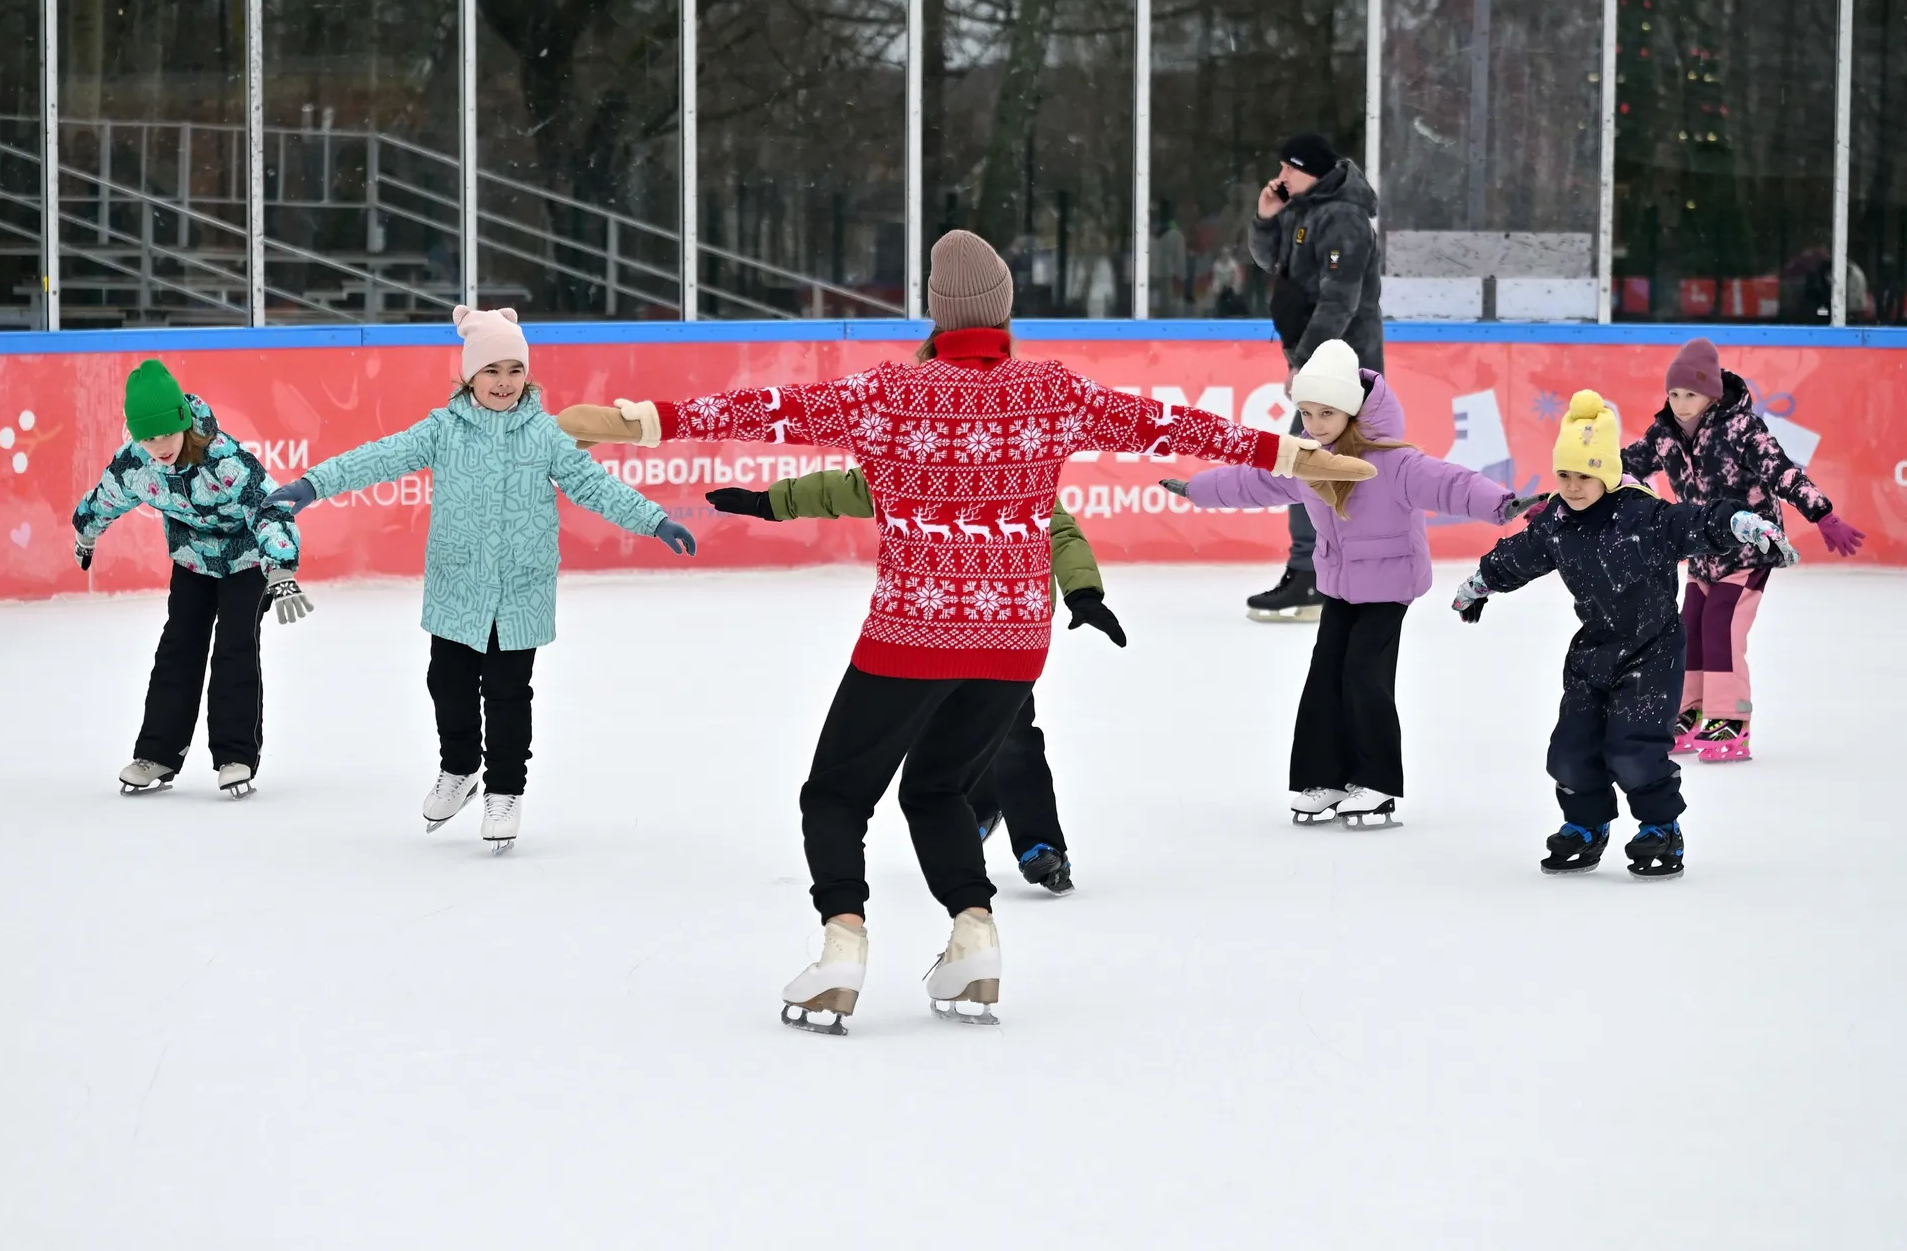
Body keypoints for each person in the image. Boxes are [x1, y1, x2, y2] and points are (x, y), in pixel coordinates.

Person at [554, 229, 1376, 1035]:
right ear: (1005, 312)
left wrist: (634, 422)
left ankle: (842, 943)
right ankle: (973, 936)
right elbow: (1175, 427)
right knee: (936, 788)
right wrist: (1301, 457)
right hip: (1013, 642)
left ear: (936, 314)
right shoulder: (1050, 391)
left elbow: (760, 411)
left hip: (911, 633)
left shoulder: (887, 393)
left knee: (836, 794)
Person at [263, 307, 693, 853]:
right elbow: (379, 458)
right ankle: (460, 769)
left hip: (521, 591)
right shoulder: (443, 429)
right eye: (492, 371)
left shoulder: (546, 434)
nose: (504, 382)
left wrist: (653, 519)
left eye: (515, 371)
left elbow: (595, 486)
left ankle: (505, 791)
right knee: (449, 685)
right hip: (457, 588)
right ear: (469, 376)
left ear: (528, 377)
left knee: (510, 695)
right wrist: (312, 484)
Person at [1164, 339, 1542, 830]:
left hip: (1390, 585)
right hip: (1340, 585)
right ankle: (1322, 779)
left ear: (1353, 409)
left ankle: (1377, 781)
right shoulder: (1306, 462)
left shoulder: (1395, 462)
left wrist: (1501, 504)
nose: (1314, 424)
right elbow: (1253, 481)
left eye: (1326, 413)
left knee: (1365, 674)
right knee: (1325, 676)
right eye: (1305, 412)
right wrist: (1198, 489)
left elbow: (1451, 483)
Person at [701, 465, 1126, 897]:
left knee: (1013, 738)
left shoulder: (1016, 465)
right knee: (949, 735)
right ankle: (973, 809)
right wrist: (769, 502)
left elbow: (1060, 532)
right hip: (929, 630)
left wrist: (1083, 592)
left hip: (1005, 631)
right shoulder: (916, 461)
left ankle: (1039, 844)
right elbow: (850, 489)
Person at [1451, 392, 1797, 879]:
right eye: (1564, 474)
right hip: (1593, 653)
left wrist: (1739, 522)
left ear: (1608, 473)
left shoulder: (1642, 517)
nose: (1572, 486)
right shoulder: (1556, 521)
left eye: (1584, 475)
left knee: (1633, 750)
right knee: (1570, 751)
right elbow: (1520, 554)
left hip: (1651, 651)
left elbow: (1693, 521)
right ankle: (1585, 826)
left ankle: (1660, 827)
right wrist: (1480, 584)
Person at [73, 360, 313, 798]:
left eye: (165, 433)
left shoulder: (225, 459)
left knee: (234, 647)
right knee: (178, 646)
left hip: (246, 560)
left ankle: (235, 755)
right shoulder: (137, 465)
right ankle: (159, 753)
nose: (158, 445)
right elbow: (104, 497)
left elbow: (269, 507)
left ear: (183, 421)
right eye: (147, 437)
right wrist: (86, 535)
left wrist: (279, 565)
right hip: (192, 561)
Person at [1621, 338, 1864, 762]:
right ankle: (1689, 712)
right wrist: (1567, 500)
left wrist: (1820, 512)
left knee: (1721, 625)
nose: (1680, 403)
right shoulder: (1664, 435)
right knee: (1688, 628)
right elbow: (1620, 467)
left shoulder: (1741, 430)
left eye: (1690, 394)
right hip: (1699, 552)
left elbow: (1780, 470)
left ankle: (1730, 718)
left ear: (1712, 393)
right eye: (1674, 393)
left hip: (1748, 549)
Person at [1245, 132, 1385, 624]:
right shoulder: (1304, 208)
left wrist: (1306, 362)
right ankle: (1335, 573)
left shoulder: (1343, 218)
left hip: (1343, 368)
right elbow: (1270, 262)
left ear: (1315, 172)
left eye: (1289, 169)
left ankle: (1312, 574)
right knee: (1326, 468)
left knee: (1304, 462)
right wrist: (1265, 217)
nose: (1280, 177)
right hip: (1325, 365)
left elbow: (1339, 300)